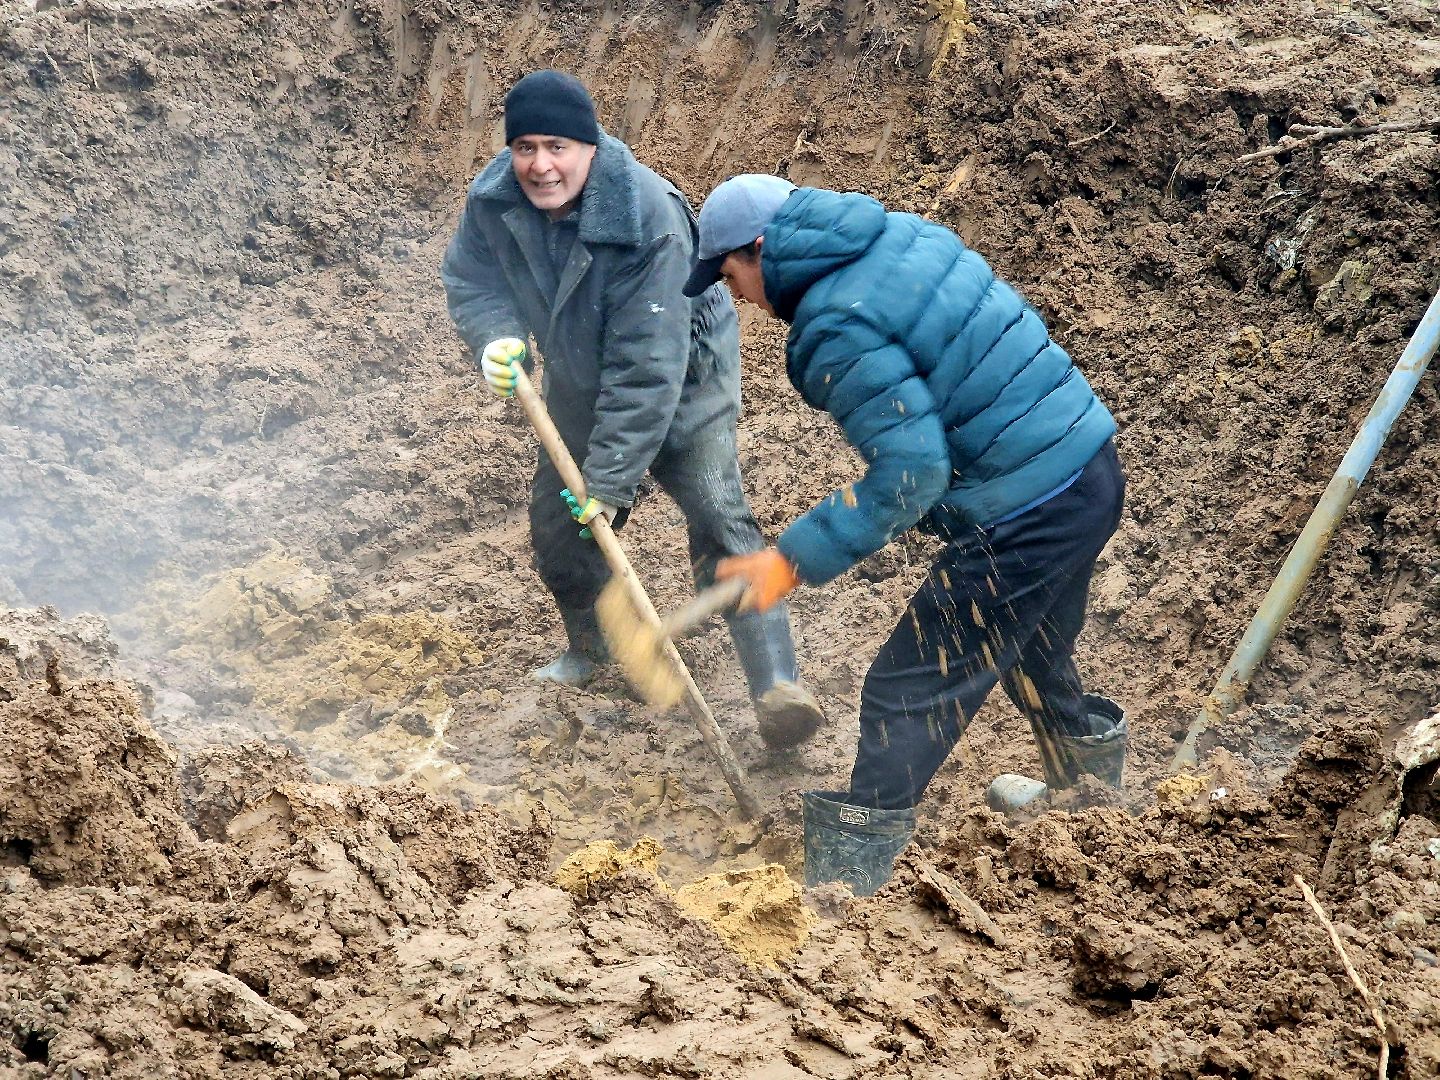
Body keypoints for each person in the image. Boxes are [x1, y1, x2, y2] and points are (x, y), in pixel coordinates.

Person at [686, 175, 1127, 894]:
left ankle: (850, 879)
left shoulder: (834, 323)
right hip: (1086, 469)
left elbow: (911, 472)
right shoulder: (897, 235)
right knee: (1032, 646)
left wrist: (790, 560)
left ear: (760, 250)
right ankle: (1091, 796)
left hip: (1028, 511)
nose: (735, 295)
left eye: (731, 274)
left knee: (908, 683)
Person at [440, 73, 823, 749]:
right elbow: (471, 278)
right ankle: (593, 651)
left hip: (684, 378)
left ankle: (775, 687)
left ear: (589, 146)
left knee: (718, 518)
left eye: (556, 145)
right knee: (560, 522)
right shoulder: (495, 198)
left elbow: (647, 370)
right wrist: (495, 335)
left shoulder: (647, 216)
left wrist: (612, 485)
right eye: (525, 147)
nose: (539, 164)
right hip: (577, 374)